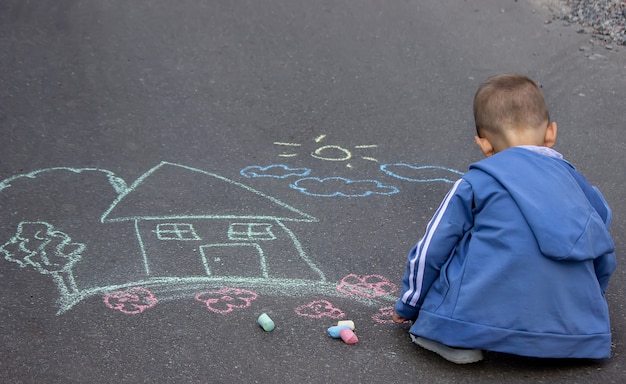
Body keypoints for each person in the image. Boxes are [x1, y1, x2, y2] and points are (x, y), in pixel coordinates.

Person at [392, 73, 616, 364]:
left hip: (473, 324)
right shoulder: (578, 184)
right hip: (578, 334)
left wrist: (409, 304)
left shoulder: (476, 182)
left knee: (462, 246)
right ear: (551, 133)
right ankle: (558, 340)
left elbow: (433, 246)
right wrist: (589, 300)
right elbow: (602, 244)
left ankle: (452, 337)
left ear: (484, 145)